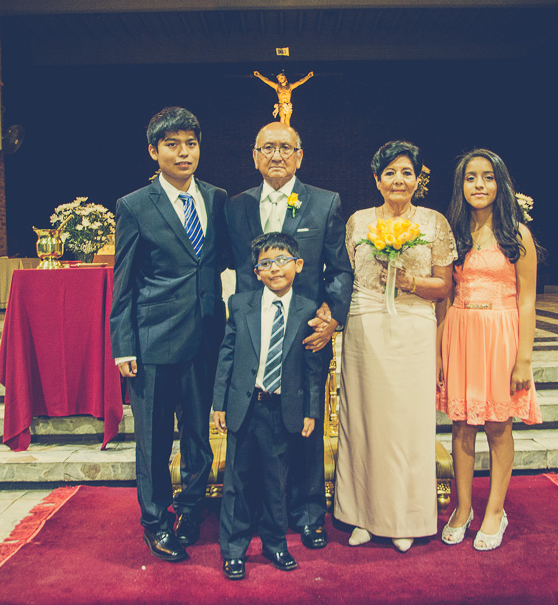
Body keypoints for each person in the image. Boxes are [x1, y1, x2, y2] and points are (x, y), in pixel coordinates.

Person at [110, 107, 230, 562]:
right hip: (154, 342)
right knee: (154, 441)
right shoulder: (134, 205)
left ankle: (191, 511)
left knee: (199, 437)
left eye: (191, 144)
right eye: (172, 144)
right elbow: (124, 281)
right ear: (153, 151)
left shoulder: (217, 198)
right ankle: (156, 521)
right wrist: (123, 344)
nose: (184, 153)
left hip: (205, 339)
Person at [226, 121, 353, 550]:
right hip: (253, 335)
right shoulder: (237, 206)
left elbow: (339, 270)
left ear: (300, 156)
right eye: (267, 148)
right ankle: (256, 512)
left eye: (285, 147)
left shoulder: (324, 202)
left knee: (305, 427)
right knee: (253, 428)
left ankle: (308, 513)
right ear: (254, 156)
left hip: (304, 335)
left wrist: (332, 318)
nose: (276, 155)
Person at [334, 140, 457, 552]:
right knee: (363, 420)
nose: (398, 180)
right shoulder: (358, 221)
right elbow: (346, 276)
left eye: (406, 172)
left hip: (414, 327)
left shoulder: (434, 222)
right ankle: (361, 514)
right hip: (365, 323)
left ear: (418, 179)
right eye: (390, 173)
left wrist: (410, 282)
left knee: (408, 424)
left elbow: (444, 286)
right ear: (377, 179)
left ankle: (406, 517)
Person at [437, 148, 542, 551]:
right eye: (470, 177)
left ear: (500, 183)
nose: (478, 185)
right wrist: (439, 352)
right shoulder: (454, 234)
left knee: (498, 425)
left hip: (501, 334)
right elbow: (445, 297)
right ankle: (463, 508)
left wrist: (524, 358)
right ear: (461, 185)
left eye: (487, 177)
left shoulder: (518, 235)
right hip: (461, 330)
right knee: (462, 425)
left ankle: (495, 510)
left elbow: (528, 301)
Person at [213, 233, 323, 581]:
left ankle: (275, 543)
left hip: (282, 409)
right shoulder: (240, 304)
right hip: (245, 407)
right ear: (256, 272)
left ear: (298, 265)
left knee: (277, 481)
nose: (274, 268)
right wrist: (219, 403)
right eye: (265, 263)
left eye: (282, 260)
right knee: (237, 482)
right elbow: (227, 356)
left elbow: (314, 368)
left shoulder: (308, 309)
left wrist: (311, 410)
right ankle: (234, 550)